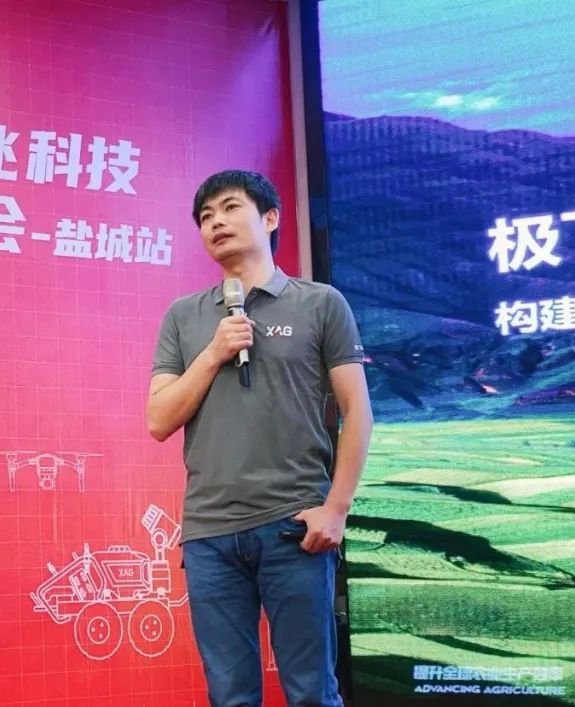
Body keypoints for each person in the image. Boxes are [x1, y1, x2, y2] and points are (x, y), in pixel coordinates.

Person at [146, 170, 373, 706]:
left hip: (294, 527)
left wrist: (336, 510)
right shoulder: (183, 316)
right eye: (205, 216)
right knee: (230, 696)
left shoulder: (320, 303)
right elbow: (158, 419)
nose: (216, 222)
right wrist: (214, 352)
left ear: (270, 218)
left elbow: (357, 410)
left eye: (230, 208)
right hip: (210, 534)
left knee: (312, 692)